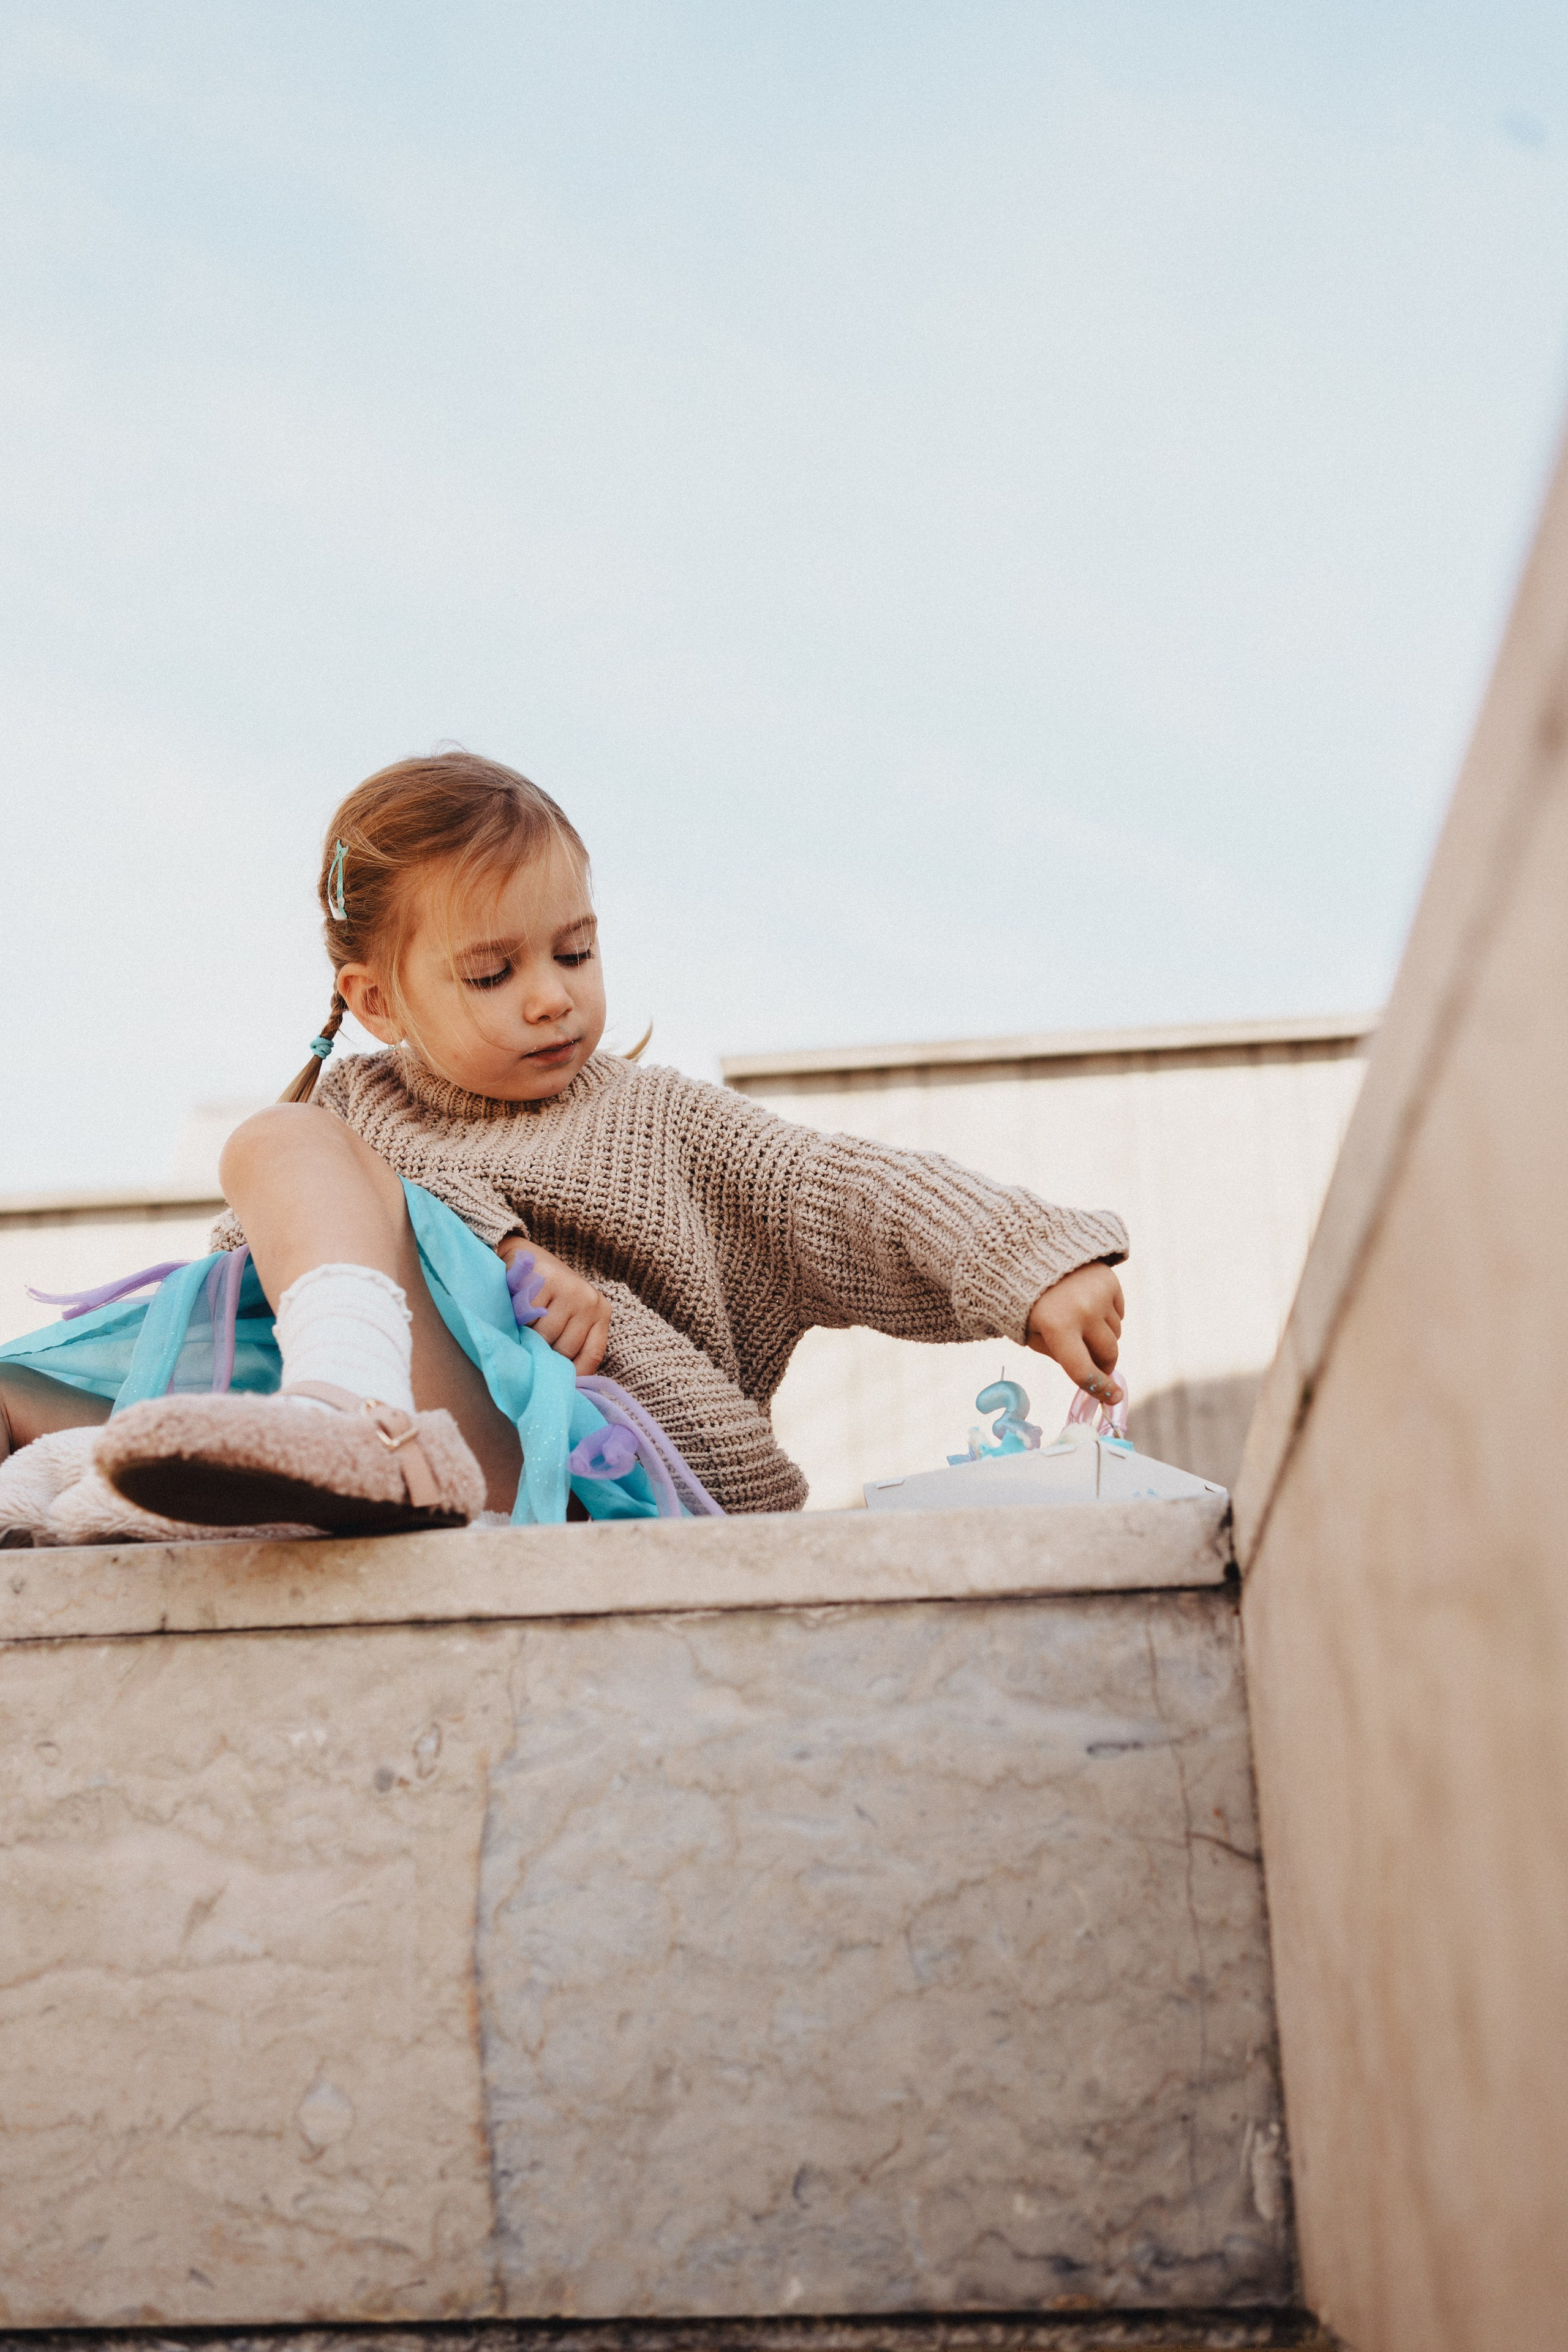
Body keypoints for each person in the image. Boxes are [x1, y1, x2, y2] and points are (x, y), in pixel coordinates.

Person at [0, 751, 1128, 1531]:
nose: (550, 999)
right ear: (377, 1000)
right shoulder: (346, 1118)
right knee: (271, 1145)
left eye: (574, 954)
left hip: (595, 1461)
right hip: (392, 1413)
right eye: (493, 973)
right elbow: (244, 1296)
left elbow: (840, 1189)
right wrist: (485, 1248)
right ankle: (309, 1429)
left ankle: (331, 1436)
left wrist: (1027, 1262)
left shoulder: (653, 1118)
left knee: (308, 1166)